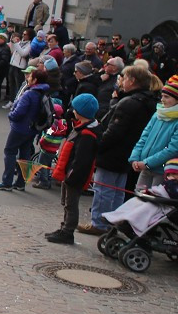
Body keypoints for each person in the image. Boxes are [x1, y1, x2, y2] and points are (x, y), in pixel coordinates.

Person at [81, 64, 157, 235]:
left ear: (132, 80)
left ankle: (100, 223)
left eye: (124, 78)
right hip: (128, 152)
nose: (121, 81)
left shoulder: (130, 102)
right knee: (117, 190)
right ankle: (113, 221)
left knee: (104, 190)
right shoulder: (146, 100)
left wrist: (99, 145)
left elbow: (114, 131)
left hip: (114, 153)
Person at [45, 93, 100, 244]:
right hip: (69, 173)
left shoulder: (87, 135)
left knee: (71, 204)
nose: (72, 111)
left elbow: (81, 161)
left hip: (74, 176)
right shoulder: (80, 127)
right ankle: (64, 228)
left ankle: (68, 232)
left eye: (75, 109)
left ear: (80, 112)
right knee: (66, 202)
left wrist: (71, 175)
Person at [0, 66, 52, 191]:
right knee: (25, 156)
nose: (28, 77)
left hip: (20, 128)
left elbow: (19, 112)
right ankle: (21, 182)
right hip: (32, 128)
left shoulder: (29, 94)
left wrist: (11, 115)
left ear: (35, 80)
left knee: (10, 152)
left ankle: (7, 181)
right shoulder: (43, 92)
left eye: (30, 76)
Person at [128, 75, 178, 191]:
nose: (162, 100)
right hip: (145, 167)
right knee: (139, 198)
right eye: (162, 96)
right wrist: (135, 158)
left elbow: (172, 149)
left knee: (155, 202)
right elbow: (144, 137)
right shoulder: (157, 115)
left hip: (163, 170)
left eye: (167, 97)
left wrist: (147, 162)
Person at [31, 102, 69, 190]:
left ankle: (44, 182)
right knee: (47, 165)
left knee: (42, 165)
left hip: (46, 149)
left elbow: (47, 137)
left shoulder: (53, 125)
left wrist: (41, 141)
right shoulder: (62, 123)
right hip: (54, 149)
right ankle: (47, 178)